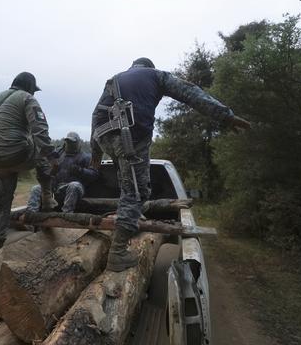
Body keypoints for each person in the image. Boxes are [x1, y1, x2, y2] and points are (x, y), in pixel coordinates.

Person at [91, 57, 251, 272]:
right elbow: (190, 92)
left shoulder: (114, 80)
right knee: (137, 192)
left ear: (133, 67)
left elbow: (96, 114)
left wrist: (96, 152)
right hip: (131, 136)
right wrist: (225, 116)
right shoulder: (156, 75)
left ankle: (131, 216)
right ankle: (117, 253)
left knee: (127, 180)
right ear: (149, 67)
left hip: (103, 136)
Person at [0, 72, 58, 251]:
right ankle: (47, 197)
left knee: (0, 208)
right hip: (16, 153)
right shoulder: (27, 98)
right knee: (42, 149)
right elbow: (39, 129)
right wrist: (51, 157)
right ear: (29, 87)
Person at [27, 132, 99, 213]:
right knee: (36, 188)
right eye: (68, 142)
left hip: (75, 189)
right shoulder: (58, 155)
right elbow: (46, 166)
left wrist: (80, 171)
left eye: (72, 142)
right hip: (56, 187)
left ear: (78, 143)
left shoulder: (86, 157)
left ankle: (66, 214)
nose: (70, 144)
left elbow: (94, 174)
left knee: (74, 185)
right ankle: (30, 216)